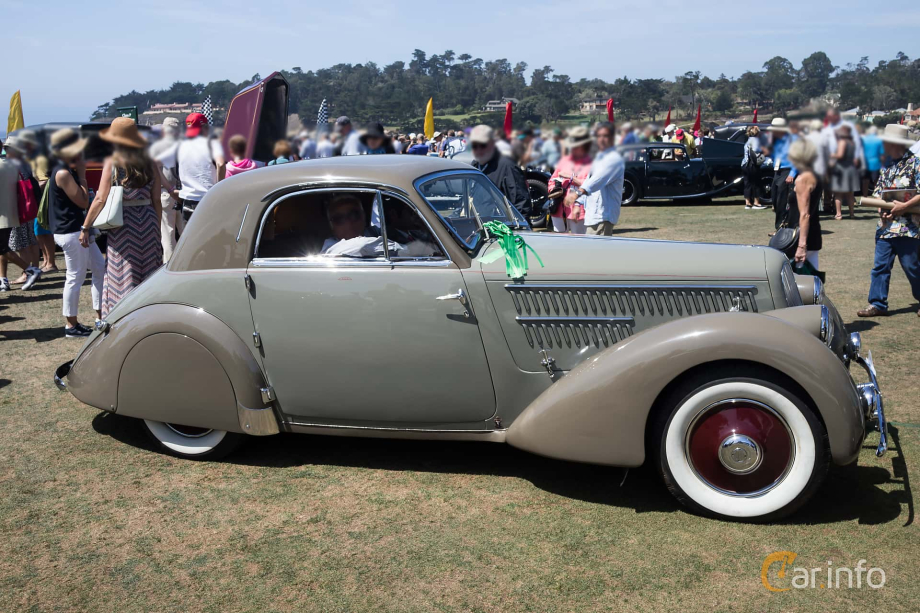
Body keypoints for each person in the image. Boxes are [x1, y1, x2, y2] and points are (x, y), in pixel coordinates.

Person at [80, 118, 162, 318]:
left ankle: (123, 315)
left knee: (123, 272)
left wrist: (86, 227)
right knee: (150, 270)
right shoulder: (149, 160)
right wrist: (156, 228)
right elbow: (156, 199)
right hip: (149, 221)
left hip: (123, 224)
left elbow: (100, 198)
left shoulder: (114, 161)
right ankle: (149, 313)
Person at [857, 124, 920, 318]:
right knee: (880, 266)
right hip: (886, 227)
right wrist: (879, 207)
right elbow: (878, 194)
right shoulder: (886, 165)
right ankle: (877, 304)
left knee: (912, 266)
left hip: (908, 228)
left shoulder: (916, 163)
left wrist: (904, 206)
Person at [47, 129, 106, 337]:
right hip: (71, 232)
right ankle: (71, 325)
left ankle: (101, 315)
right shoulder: (63, 173)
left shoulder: (64, 170)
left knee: (99, 268)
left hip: (78, 230)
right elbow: (82, 200)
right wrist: (82, 175)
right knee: (75, 277)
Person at [155, 112, 226, 224]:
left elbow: (155, 164)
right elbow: (221, 164)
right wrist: (219, 189)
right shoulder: (212, 143)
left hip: (187, 201)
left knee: (191, 239)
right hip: (209, 198)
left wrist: (170, 190)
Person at [562, 122, 624, 236]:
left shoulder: (614, 159)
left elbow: (598, 180)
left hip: (603, 216)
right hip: (594, 216)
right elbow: (589, 180)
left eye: (605, 136)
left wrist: (577, 193)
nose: (601, 139)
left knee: (596, 253)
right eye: (598, 136)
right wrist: (578, 203)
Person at [1, 136, 43, 289]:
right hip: (20, 210)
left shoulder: (10, 165)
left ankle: (29, 271)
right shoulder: (21, 165)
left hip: (12, 211)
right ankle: (29, 271)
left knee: (15, 245)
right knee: (25, 243)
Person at [15, 129, 56, 272]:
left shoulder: (40, 159)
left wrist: (30, 188)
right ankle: (46, 260)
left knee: (44, 232)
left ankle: (51, 262)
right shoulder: (33, 159)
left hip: (42, 201)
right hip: (37, 200)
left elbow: (46, 180)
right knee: (38, 233)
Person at [469, 125, 531, 216]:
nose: (479, 150)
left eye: (483, 145)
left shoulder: (508, 166)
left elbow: (521, 205)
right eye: (475, 146)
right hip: (478, 224)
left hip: (500, 226)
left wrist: (517, 229)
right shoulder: (475, 165)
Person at [547, 126, 593, 234]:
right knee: (559, 240)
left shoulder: (589, 163)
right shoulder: (564, 161)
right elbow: (551, 181)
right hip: (559, 208)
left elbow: (590, 185)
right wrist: (554, 189)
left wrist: (571, 178)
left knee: (579, 239)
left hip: (579, 209)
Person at [787, 138, 823, 270]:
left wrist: (801, 245)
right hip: (811, 233)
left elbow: (805, 215)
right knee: (812, 281)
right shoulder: (815, 174)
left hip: (801, 237)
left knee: (800, 283)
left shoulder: (804, 179)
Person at [149, 117, 181, 262]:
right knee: (186, 231)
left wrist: (169, 189)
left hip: (166, 192)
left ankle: (170, 265)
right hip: (183, 193)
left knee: (168, 233)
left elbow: (156, 169)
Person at [765, 118, 797, 231]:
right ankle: (781, 224)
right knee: (774, 198)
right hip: (777, 170)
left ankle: (781, 227)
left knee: (782, 200)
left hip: (787, 170)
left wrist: (792, 174)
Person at [829, 124, 860, 219]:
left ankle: (839, 214)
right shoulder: (852, 142)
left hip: (842, 169)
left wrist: (830, 155)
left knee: (838, 194)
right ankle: (852, 214)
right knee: (850, 194)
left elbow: (840, 155)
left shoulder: (842, 142)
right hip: (851, 168)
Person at [741, 126, 768, 210]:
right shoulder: (756, 141)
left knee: (747, 183)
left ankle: (748, 203)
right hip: (753, 165)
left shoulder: (748, 141)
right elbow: (757, 150)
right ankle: (756, 203)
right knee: (756, 183)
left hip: (745, 164)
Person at [861, 125, 884, 197]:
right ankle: (876, 195)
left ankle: (865, 195)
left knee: (865, 180)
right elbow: (882, 153)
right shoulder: (879, 140)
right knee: (876, 181)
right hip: (876, 162)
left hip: (866, 162)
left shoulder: (865, 139)